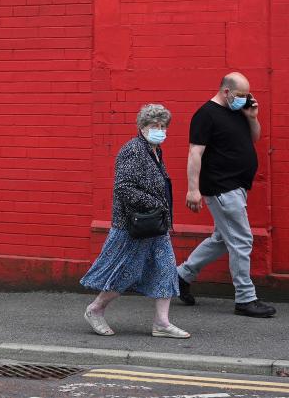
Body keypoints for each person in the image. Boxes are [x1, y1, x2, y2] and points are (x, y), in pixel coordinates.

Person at [81, 103, 190, 339]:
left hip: (155, 225)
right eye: (154, 125)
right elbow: (124, 188)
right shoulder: (133, 150)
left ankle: (162, 323)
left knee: (166, 270)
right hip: (135, 226)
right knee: (125, 272)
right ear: (142, 127)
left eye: (163, 126)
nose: (160, 130)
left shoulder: (154, 150)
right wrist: (155, 204)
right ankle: (95, 309)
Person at [176, 72, 277, 318]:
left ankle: (180, 277)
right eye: (241, 95)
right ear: (226, 92)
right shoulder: (205, 115)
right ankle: (245, 298)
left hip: (237, 188)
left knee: (222, 240)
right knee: (242, 241)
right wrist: (193, 189)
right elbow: (195, 154)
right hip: (222, 188)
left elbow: (254, 138)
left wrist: (252, 117)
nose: (245, 99)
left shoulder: (237, 112)